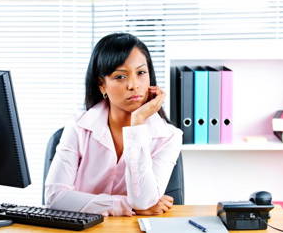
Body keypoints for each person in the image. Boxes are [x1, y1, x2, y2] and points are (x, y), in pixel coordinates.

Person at [45, 33, 182, 216]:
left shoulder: (169, 137)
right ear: (102, 85)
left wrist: (138, 123)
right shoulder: (78, 127)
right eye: (120, 77)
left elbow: (144, 200)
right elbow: (55, 198)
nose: (133, 85)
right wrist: (126, 205)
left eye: (141, 73)